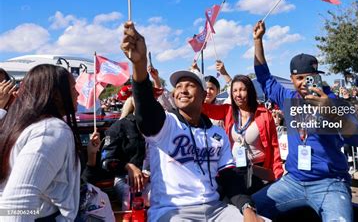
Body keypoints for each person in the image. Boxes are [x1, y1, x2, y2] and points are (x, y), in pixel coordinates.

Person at [121, 22, 263, 222]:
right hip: (173, 211)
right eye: (178, 86)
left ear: (204, 94)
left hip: (216, 210)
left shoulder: (217, 133)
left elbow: (230, 178)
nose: (182, 90)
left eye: (190, 85)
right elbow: (145, 108)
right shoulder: (165, 124)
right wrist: (139, 64)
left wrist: (248, 209)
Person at [251, 20, 358, 221]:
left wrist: (331, 112)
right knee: (248, 209)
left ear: (318, 77)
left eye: (309, 77)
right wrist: (258, 40)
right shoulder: (288, 99)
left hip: (330, 183)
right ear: (292, 79)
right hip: (293, 181)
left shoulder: (336, 102)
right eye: (299, 78)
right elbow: (264, 77)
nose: (304, 83)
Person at [0, 64, 81, 220]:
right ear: (56, 94)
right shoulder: (50, 131)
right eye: (72, 88)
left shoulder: (17, 125)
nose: (77, 94)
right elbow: (17, 207)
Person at [202, 74, 284, 195]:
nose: (238, 94)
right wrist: (200, 89)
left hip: (258, 172)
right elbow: (204, 108)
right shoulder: (228, 110)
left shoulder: (264, 114)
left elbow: (274, 147)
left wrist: (277, 175)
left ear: (250, 91)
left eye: (242, 90)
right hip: (235, 169)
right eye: (234, 90)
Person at [101, 96, 148, 210]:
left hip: (153, 177)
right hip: (125, 179)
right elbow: (105, 162)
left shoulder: (158, 126)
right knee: (137, 204)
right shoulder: (118, 127)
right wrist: (128, 166)